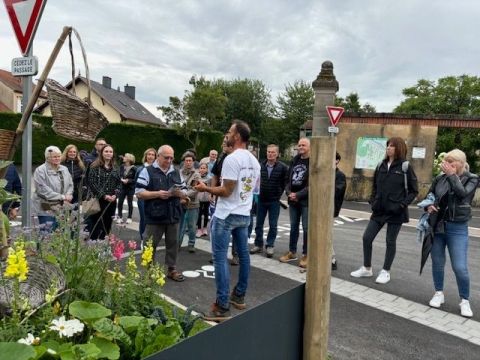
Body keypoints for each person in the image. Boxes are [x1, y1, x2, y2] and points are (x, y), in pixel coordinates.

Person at [195, 120, 261, 322]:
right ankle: (239, 295)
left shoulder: (233, 159)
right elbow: (251, 189)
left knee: (220, 258)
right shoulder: (255, 161)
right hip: (244, 213)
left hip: (226, 215)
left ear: (238, 137)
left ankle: (222, 305)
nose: (227, 134)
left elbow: (226, 191)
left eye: (230, 132)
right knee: (243, 255)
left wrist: (205, 189)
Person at [350, 137, 418, 284]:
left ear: (399, 148)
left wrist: (401, 205)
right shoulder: (381, 165)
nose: (388, 148)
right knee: (367, 238)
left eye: (392, 146)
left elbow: (414, 191)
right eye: (388, 146)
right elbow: (374, 186)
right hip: (379, 210)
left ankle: (385, 271)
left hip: (396, 211)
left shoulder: (405, 167)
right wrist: (373, 201)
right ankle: (367, 268)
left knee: (390, 241)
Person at [424, 149, 478, 318]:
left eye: (452, 162)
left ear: (461, 164)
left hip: (458, 228)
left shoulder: (472, 178)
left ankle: (464, 300)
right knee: (437, 262)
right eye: (447, 161)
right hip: (438, 226)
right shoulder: (439, 178)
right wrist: (428, 205)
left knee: (460, 267)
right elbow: (429, 195)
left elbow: (462, 195)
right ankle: (439, 292)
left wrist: (452, 176)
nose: (447, 165)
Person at [135, 145, 187, 282]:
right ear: (158, 156)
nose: (169, 160)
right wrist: (157, 194)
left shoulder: (176, 172)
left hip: (173, 214)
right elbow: (139, 192)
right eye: (166, 157)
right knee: (150, 244)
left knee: (173, 244)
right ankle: (148, 271)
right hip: (154, 215)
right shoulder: (147, 171)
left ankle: (172, 269)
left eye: (171, 158)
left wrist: (180, 194)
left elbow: (185, 190)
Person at [250, 144, 288, 258]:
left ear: (277, 154)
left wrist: (278, 194)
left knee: (273, 225)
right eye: (268, 152)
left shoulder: (283, 167)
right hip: (261, 200)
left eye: (273, 152)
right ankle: (258, 244)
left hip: (274, 201)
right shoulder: (260, 166)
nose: (270, 154)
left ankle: (270, 245)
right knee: (259, 224)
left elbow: (285, 183)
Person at [280, 138, 310, 268]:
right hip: (293, 200)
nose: (301, 147)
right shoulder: (295, 160)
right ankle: (292, 252)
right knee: (293, 227)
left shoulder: (313, 161)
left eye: (303, 145)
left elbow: (313, 184)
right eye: (299, 145)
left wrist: (298, 195)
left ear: (309, 147)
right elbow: (287, 179)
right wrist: (289, 193)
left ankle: (306, 254)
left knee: (306, 228)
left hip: (305, 201)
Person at [32, 146, 74, 231]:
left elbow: (70, 184)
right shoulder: (40, 170)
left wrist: (68, 195)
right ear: (47, 158)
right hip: (46, 208)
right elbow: (42, 190)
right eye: (54, 157)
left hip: (63, 207)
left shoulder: (64, 169)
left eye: (59, 156)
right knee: (47, 234)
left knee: (61, 234)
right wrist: (62, 197)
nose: (57, 158)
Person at [86, 144, 121, 240]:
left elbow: (119, 183)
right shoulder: (94, 166)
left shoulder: (116, 167)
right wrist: (103, 195)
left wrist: (115, 195)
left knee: (107, 224)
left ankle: (103, 246)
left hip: (111, 202)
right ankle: (93, 246)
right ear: (101, 153)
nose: (109, 153)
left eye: (110, 152)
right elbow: (92, 183)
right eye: (106, 151)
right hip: (98, 200)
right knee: (95, 224)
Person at [177, 151, 201, 252]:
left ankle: (191, 244)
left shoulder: (196, 175)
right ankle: (177, 244)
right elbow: (176, 185)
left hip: (193, 204)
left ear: (193, 162)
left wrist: (185, 195)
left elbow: (195, 189)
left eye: (190, 160)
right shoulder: (179, 173)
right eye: (186, 160)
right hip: (180, 203)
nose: (188, 162)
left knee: (192, 226)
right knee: (179, 225)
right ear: (184, 162)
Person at [135, 148, 157, 241]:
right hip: (143, 198)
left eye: (153, 154)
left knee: (153, 219)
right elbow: (136, 183)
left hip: (154, 197)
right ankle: (143, 239)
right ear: (146, 156)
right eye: (149, 154)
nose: (151, 156)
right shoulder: (140, 169)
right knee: (144, 219)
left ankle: (151, 238)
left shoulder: (157, 169)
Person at [332, 152, 347, 270]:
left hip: (331, 209)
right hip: (320, 208)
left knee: (327, 235)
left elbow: (337, 191)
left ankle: (332, 259)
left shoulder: (340, 175)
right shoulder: (324, 172)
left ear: (337, 161)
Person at [116, 153, 137, 224]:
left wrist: (128, 181)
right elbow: (119, 175)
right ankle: (119, 216)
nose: (123, 158)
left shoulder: (134, 168)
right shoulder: (122, 166)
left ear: (129, 159)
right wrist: (121, 179)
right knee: (120, 202)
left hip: (130, 188)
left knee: (130, 203)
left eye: (125, 157)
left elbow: (136, 179)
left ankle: (129, 217)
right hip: (122, 187)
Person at [196, 163, 211, 237]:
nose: (202, 169)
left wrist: (212, 196)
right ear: (199, 169)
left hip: (207, 199)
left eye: (204, 168)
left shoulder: (210, 178)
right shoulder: (196, 177)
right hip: (198, 198)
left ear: (207, 169)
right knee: (199, 214)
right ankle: (199, 229)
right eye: (201, 168)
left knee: (206, 214)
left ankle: (205, 228)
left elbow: (211, 188)